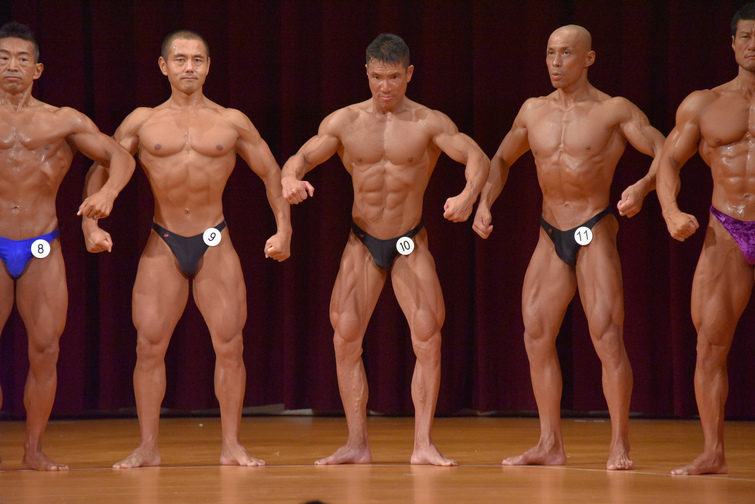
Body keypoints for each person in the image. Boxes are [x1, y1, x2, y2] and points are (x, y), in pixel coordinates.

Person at [83, 29, 291, 469]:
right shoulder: (142, 121)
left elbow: (272, 173)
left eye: (197, 59)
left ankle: (232, 445)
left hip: (216, 239)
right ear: (164, 66)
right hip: (164, 239)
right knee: (148, 347)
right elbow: (104, 165)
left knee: (230, 346)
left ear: (209, 66)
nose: (189, 67)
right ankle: (147, 447)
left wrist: (284, 229)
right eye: (180, 59)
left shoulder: (232, 121)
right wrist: (90, 224)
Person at [281, 33, 489, 466]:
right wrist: (290, 179)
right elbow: (300, 158)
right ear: (366, 73)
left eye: (394, 77)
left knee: (428, 338)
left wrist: (468, 196)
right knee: (345, 339)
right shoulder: (344, 122)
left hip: (410, 240)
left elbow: (476, 157)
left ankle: (423, 444)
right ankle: (356, 443)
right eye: (377, 77)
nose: (385, 86)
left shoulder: (428, 122)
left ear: (409, 74)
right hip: (362, 241)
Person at [473, 25, 665, 470]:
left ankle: (619, 443)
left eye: (565, 53)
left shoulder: (613, 110)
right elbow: (501, 159)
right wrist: (484, 202)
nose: (555, 62)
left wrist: (644, 186)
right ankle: (549, 444)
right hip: (549, 231)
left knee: (608, 336)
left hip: (593, 226)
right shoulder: (532, 110)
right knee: (535, 334)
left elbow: (664, 148)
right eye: (550, 53)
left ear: (588, 59)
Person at [0, 21, 135, 471]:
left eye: (22, 58)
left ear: (37, 69)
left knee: (46, 351)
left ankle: (33, 450)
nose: (12, 65)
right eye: (3, 58)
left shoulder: (62, 120)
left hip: (42, 245)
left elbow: (120, 156)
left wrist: (108, 193)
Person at [656, 3, 755, 476]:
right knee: (709, 343)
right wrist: (670, 209)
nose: (754, 45)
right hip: (727, 227)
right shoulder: (705, 103)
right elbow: (669, 161)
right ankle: (713, 452)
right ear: (733, 44)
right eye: (747, 37)